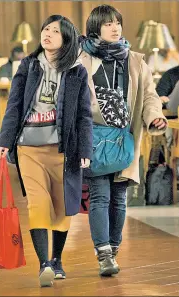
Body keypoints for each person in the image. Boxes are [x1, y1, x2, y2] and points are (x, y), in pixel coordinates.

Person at [0, 15, 93, 287]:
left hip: (64, 150)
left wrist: (85, 148)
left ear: (67, 40)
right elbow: (14, 105)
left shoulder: (76, 71)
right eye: (46, 29)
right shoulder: (28, 66)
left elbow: (84, 115)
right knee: (38, 203)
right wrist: (5, 140)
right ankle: (44, 265)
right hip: (29, 147)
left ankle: (57, 260)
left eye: (55, 31)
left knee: (63, 207)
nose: (48, 34)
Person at [79, 5, 167, 277]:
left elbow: (150, 96)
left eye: (117, 23)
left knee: (119, 198)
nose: (115, 28)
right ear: (96, 28)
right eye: (108, 24)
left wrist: (154, 117)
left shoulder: (136, 60)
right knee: (100, 196)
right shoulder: (80, 60)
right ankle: (103, 253)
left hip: (125, 139)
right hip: (94, 138)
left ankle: (112, 250)